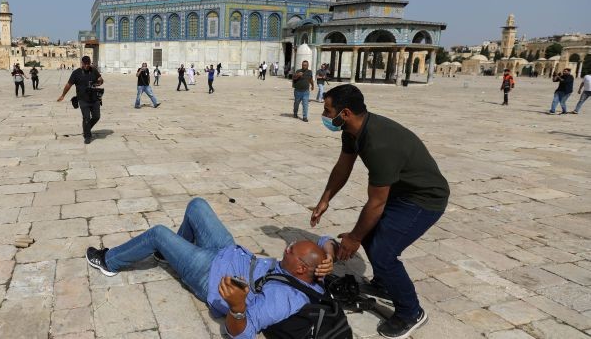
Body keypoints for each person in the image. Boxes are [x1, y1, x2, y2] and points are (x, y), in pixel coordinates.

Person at [86, 197, 337, 339]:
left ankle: (109, 262)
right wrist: (329, 252)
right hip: (227, 250)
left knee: (158, 234)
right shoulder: (317, 271)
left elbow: (242, 333)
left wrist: (238, 307)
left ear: (302, 269)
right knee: (197, 205)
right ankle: (170, 255)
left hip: (208, 272)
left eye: (291, 249)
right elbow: (327, 238)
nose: (287, 247)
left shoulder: (285, 298)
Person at [311, 84, 449, 339]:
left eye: (328, 110)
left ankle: (411, 312)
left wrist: (353, 238)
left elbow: (375, 204)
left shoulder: (379, 144)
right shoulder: (351, 132)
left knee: (382, 252)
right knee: (372, 237)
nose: (324, 115)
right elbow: (343, 167)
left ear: (346, 113)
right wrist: (325, 199)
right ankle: (385, 284)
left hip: (424, 199)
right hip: (402, 192)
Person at [57, 56, 103, 144]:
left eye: (88, 63)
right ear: (82, 63)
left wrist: (100, 82)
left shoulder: (94, 70)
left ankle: (86, 128)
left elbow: (100, 79)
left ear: (90, 63)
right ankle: (87, 136)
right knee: (86, 118)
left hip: (94, 98)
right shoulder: (76, 73)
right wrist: (63, 95)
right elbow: (68, 85)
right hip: (83, 99)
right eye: (85, 63)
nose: (86, 65)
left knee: (96, 117)